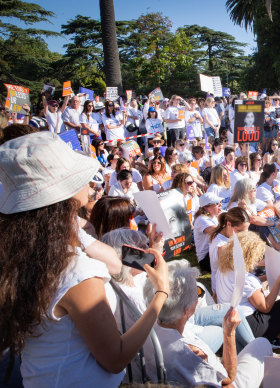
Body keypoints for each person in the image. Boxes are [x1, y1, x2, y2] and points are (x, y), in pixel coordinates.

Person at [0, 132, 169, 387]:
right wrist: (161, 294)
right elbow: (115, 357)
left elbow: (112, 257)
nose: (90, 184)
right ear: (64, 196)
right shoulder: (75, 271)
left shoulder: (28, 246)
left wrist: (152, 251)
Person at [143, 260, 271, 388]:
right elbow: (227, 379)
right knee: (262, 343)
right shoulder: (193, 351)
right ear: (188, 310)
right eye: (197, 294)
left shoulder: (144, 329)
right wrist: (228, 333)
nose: (198, 298)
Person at [216, 231, 280, 354]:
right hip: (249, 327)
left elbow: (217, 294)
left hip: (230, 320)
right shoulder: (247, 279)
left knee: (278, 306)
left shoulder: (223, 269)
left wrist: (266, 277)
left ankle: (277, 340)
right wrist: (278, 283)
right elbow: (265, 307)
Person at [193, 193, 222, 272]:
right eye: (216, 203)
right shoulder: (202, 220)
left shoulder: (213, 216)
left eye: (219, 202)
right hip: (205, 260)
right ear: (206, 207)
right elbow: (219, 233)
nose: (220, 204)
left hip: (212, 254)